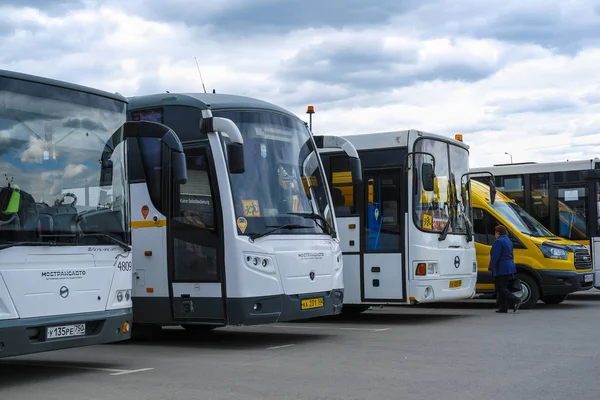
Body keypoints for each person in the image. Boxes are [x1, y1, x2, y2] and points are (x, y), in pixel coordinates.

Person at [488, 225, 522, 313]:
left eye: (495, 232)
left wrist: (491, 266)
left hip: (502, 267)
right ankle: (503, 308)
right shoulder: (508, 241)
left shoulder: (498, 241)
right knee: (504, 286)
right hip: (510, 266)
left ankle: (516, 300)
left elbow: (495, 256)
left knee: (500, 287)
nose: (495, 234)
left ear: (498, 233)